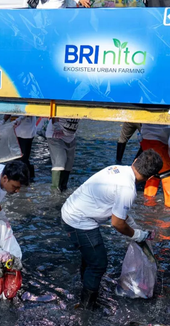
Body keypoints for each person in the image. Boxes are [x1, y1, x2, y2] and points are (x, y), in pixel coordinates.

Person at [61, 149, 163, 309]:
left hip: (71, 208)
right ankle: (86, 306)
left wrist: (132, 223)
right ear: (151, 177)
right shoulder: (128, 189)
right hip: (79, 220)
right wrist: (137, 234)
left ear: (135, 161)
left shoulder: (118, 169)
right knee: (98, 264)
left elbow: (113, 207)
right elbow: (117, 223)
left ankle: (86, 287)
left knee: (91, 257)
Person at [140, 124, 170, 207]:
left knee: (156, 170)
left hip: (151, 133)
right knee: (164, 172)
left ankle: (148, 203)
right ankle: (167, 207)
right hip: (152, 133)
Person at [47, 118, 79, 192]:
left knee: (69, 164)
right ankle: (55, 191)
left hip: (70, 136)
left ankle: (63, 188)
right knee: (59, 163)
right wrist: (55, 125)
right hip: (55, 135)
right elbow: (53, 114)